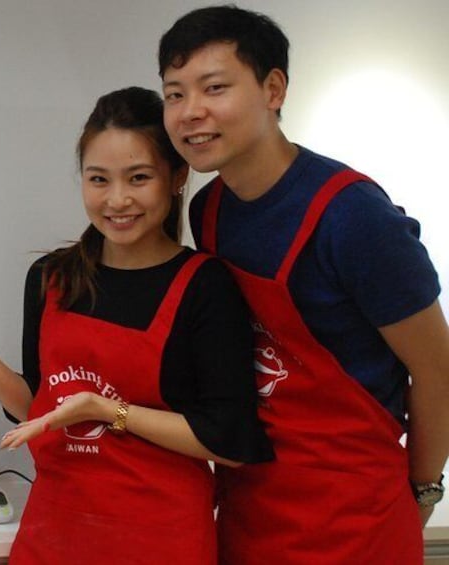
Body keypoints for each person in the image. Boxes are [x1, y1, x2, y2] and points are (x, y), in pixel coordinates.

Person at [0, 86, 272, 564]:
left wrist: (109, 410)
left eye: (139, 177)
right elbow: (37, 412)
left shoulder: (205, 286)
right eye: (99, 179)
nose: (118, 199)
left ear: (177, 177)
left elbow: (229, 442)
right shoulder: (51, 278)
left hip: (161, 540)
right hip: (57, 531)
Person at [158, 5, 449, 565]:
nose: (190, 112)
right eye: (174, 94)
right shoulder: (209, 209)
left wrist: (424, 488)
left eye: (214, 87)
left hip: (354, 515)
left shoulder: (353, 216)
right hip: (253, 502)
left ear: (273, 88)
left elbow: (436, 369)